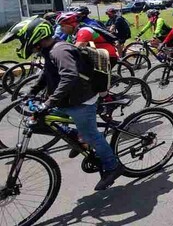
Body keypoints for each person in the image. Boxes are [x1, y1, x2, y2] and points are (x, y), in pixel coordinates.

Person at [0, 17, 123, 190]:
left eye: (22, 39)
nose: (21, 44)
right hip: (67, 99)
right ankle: (78, 138)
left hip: (81, 100)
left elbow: (69, 77)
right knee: (42, 121)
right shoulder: (48, 50)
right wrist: (32, 92)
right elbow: (47, 74)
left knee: (90, 135)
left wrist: (49, 102)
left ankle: (112, 166)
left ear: (35, 36)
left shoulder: (60, 51)